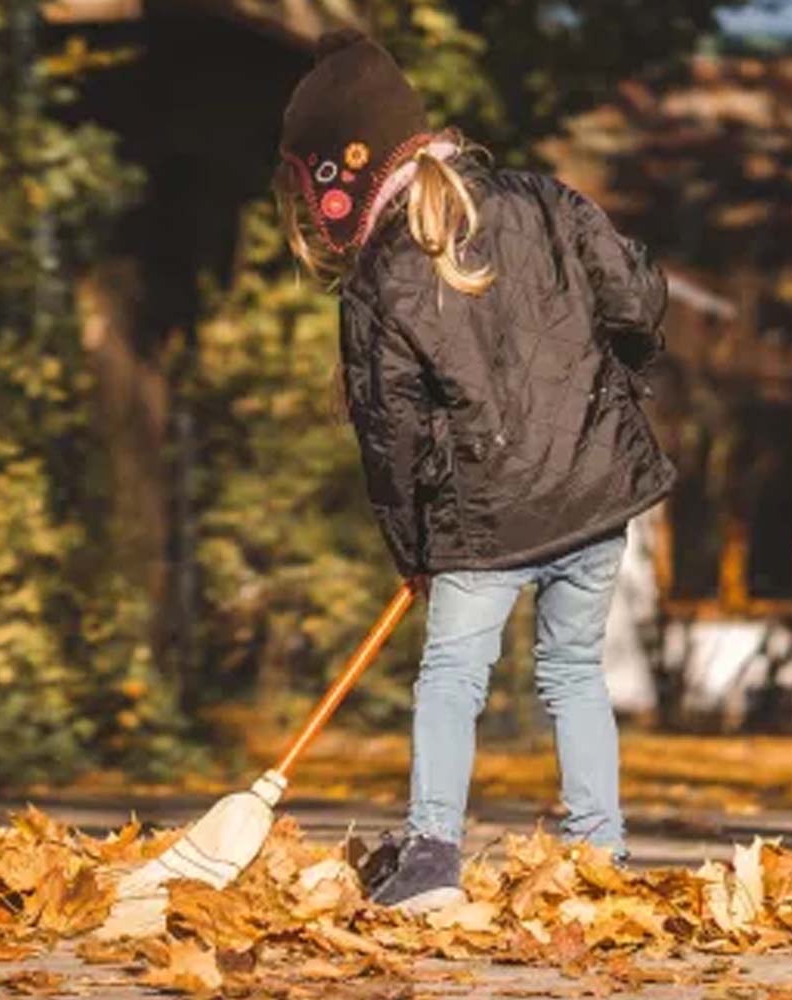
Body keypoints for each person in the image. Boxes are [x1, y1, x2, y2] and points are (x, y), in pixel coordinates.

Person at [275, 29, 676, 913]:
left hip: (481, 527)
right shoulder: (545, 201)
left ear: (344, 179)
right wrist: (624, 372)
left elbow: (394, 436)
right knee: (572, 670)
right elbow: (638, 298)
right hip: (593, 495)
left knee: (453, 679)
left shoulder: (379, 283)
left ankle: (431, 857)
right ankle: (600, 855)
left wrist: (412, 549)